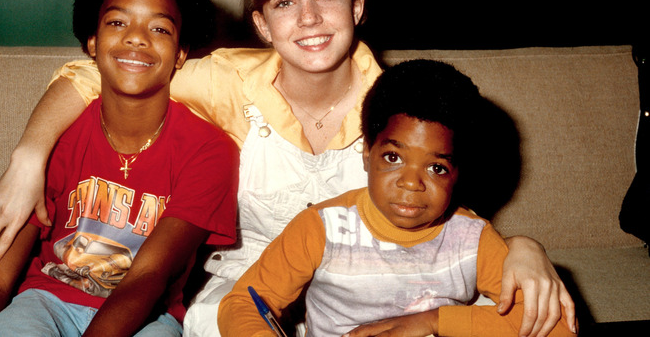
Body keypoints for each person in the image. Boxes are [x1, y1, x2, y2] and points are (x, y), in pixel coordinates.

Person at [0, 0, 575, 337]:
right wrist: (30, 156)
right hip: (250, 276)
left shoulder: (396, 99)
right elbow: (100, 71)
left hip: (373, 280)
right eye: (285, 3)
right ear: (261, 23)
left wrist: (522, 246)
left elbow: (428, 192)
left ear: (357, 7)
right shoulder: (229, 82)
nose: (309, 18)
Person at [0, 0, 239, 337]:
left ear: (181, 53)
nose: (136, 38)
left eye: (159, 28)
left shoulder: (210, 149)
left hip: (148, 316)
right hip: (46, 301)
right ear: (92, 43)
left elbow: (149, 276)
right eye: (118, 23)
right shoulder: (58, 133)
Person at [218, 59, 577, 337]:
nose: (411, 183)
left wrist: (432, 321)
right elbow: (243, 303)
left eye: (437, 168)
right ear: (366, 153)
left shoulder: (472, 239)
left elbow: (557, 328)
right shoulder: (321, 228)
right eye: (393, 158)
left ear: (459, 172)